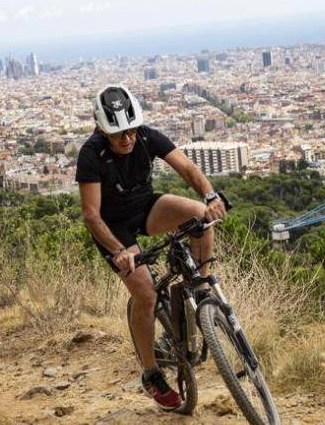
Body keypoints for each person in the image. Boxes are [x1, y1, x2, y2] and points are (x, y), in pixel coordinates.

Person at [75, 84, 227, 411]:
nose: (127, 139)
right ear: (102, 130)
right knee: (144, 292)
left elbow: (187, 168)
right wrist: (120, 251)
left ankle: (201, 287)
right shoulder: (91, 154)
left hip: (146, 208)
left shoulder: (147, 136)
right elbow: (91, 214)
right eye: (119, 136)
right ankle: (151, 373)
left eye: (131, 132)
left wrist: (210, 196)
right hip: (112, 228)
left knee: (199, 217)